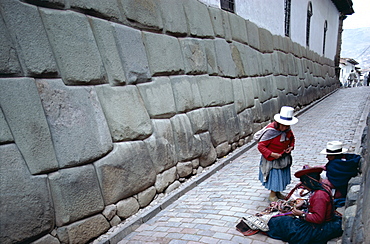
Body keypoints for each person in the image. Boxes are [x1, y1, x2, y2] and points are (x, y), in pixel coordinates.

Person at [266, 167, 343, 244]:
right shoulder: (321, 188)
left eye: (304, 184)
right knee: (279, 220)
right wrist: (303, 203)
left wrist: (301, 214)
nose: (303, 186)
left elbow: (319, 219)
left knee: (279, 223)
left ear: (310, 182)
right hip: (319, 223)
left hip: (319, 227)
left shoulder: (319, 195)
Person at [254, 106, 298, 202]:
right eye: (284, 125)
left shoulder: (287, 130)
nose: (286, 127)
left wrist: (291, 146)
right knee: (275, 176)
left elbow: (292, 138)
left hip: (283, 157)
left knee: (281, 176)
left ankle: (278, 192)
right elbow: (261, 146)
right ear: (278, 123)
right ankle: (272, 195)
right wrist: (272, 154)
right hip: (272, 159)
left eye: (288, 125)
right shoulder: (270, 131)